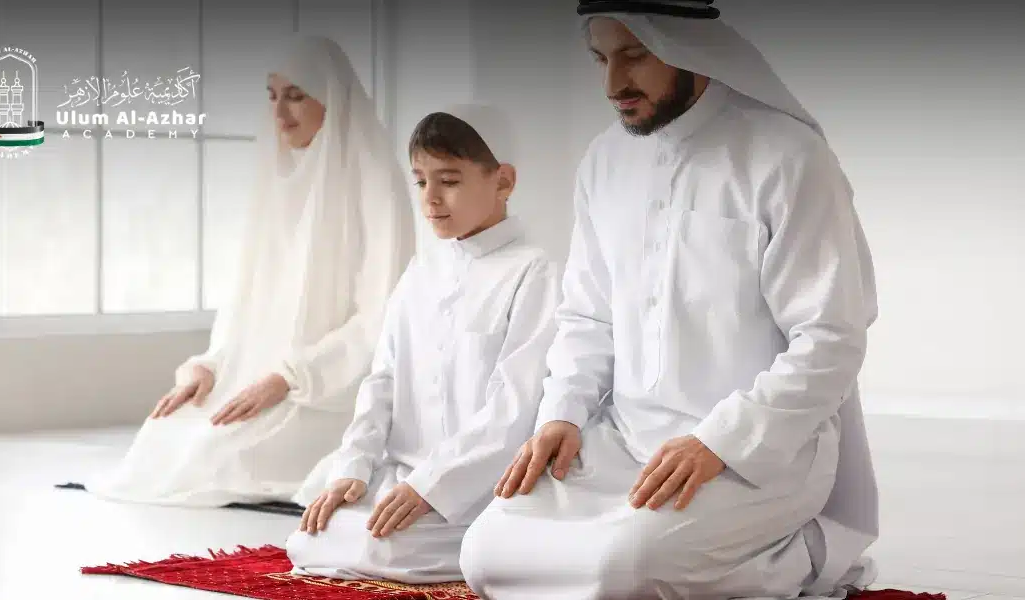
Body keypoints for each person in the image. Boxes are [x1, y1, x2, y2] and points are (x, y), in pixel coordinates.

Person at [459, 1, 881, 598]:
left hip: (757, 450)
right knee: (485, 554)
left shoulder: (788, 157)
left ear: (688, 46)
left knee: (622, 570)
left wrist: (720, 441)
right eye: (601, 58)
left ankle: (804, 556)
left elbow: (831, 339)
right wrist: (563, 413)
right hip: (624, 439)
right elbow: (587, 315)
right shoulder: (604, 160)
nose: (613, 83)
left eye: (634, 55)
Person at [85, 35, 416, 508]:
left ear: (332, 98)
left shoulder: (376, 182)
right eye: (272, 96)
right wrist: (212, 364)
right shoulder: (277, 176)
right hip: (263, 374)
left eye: (296, 96)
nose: (280, 114)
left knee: (215, 455)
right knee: (167, 431)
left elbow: (380, 318)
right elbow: (247, 298)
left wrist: (290, 376)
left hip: (330, 390)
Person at [284, 106, 561, 584]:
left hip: (476, 488)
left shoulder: (534, 271)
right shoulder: (421, 270)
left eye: (448, 180)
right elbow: (383, 381)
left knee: (386, 546)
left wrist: (433, 487)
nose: (430, 199)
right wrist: (354, 468)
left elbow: (515, 409)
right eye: (420, 181)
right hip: (400, 478)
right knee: (310, 535)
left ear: (503, 181)